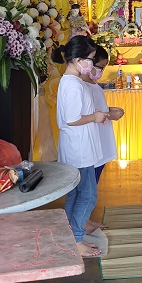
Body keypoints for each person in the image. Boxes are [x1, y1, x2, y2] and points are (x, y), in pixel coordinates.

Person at [52, 36, 108, 258]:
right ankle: (75, 238)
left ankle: (71, 235)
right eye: (90, 59)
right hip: (80, 148)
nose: (91, 65)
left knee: (76, 194)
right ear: (76, 59)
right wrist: (95, 116)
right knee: (87, 195)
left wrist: (96, 115)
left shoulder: (71, 81)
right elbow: (72, 119)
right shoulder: (73, 84)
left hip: (79, 145)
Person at [80, 45, 125, 235]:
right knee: (86, 188)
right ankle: (81, 223)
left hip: (100, 139)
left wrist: (110, 112)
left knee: (93, 183)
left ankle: (85, 219)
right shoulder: (79, 86)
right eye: (98, 66)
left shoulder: (92, 85)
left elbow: (97, 110)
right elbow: (82, 116)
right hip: (90, 142)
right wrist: (107, 114)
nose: (100, 72)